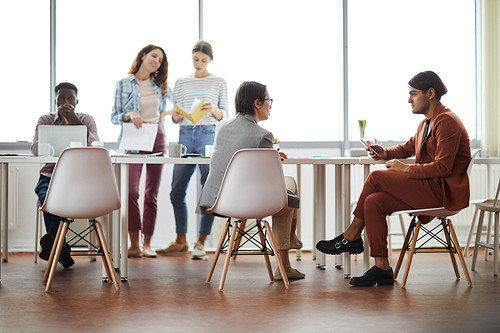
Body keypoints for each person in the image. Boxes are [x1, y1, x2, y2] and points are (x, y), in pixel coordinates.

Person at [316, 71, 471, 287]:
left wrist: (404, 170)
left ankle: (351, 236)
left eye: (413, 94)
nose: (409, 99)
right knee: (374, 201)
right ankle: (382, 267)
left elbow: (443, 167)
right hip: (428, 188)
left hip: (442, 192)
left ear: (431, 93)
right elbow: (408, 147)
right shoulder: (427, 123)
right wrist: (386, 153)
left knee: (377, 177)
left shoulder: (447, 122)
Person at [196, 81, 305, 280]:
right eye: (268, 101)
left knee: (287, 190)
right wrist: (271, 157)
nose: (270, 105)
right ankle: (285, 262)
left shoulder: (222, 126)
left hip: (218, 200)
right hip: (247, 201)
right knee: (288, 189)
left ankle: (291, 241)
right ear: (257, 103)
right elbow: (269, 178)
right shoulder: (263, 135)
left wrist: (269, 155)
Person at [156, 41, 228, 259]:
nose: (199, 63)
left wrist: (214, 109)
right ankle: (181, 241)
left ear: (210, 60)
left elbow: (224, 115)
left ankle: (200, 242)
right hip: (185, 135)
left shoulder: (219, 82)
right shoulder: (181, 82)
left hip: (208, 134)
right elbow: (178, 115)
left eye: (203, 60)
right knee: (176, 191)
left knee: (208, 191)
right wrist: (176, 116)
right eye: (196, 59)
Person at [111, 44, 172, 258]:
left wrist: (173, 114)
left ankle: (147, 244)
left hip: (157, 138)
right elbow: (114, 117)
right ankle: (134, 244)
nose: (157, 61)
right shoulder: (124, 83)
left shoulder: (161, 85)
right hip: (134, 139)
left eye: (160, 59)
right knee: (130, 192)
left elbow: (175, 108)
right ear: (143, 55)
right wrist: (128, 114)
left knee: (151, 194)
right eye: (154, 56)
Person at [32, 82, 99, 269]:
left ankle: (52, 244)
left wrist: (75, 121)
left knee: (66, 199)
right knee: (48, 198)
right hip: (49, 176)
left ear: (77, 101)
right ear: (55, 100)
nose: (65, 102)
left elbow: (94, 145)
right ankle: (61, 248)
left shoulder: (86, 119)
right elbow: (36, 150)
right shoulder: (45, 120)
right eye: (61, 98)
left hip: (77, 178)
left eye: (70, 98)